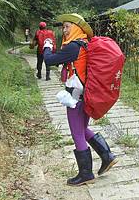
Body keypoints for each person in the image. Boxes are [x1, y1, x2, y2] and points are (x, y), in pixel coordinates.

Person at [42, 13, 117, 186]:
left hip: (75, 95)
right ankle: (107, 156)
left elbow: (49, 60)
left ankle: (86, 174)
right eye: (64, 27)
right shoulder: (84, 44)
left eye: (67, 26)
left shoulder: (73, 47)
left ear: (76, 28)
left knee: (77, 133)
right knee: (82, 129)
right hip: (85, 94)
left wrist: (47, 45)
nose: (64, 30)